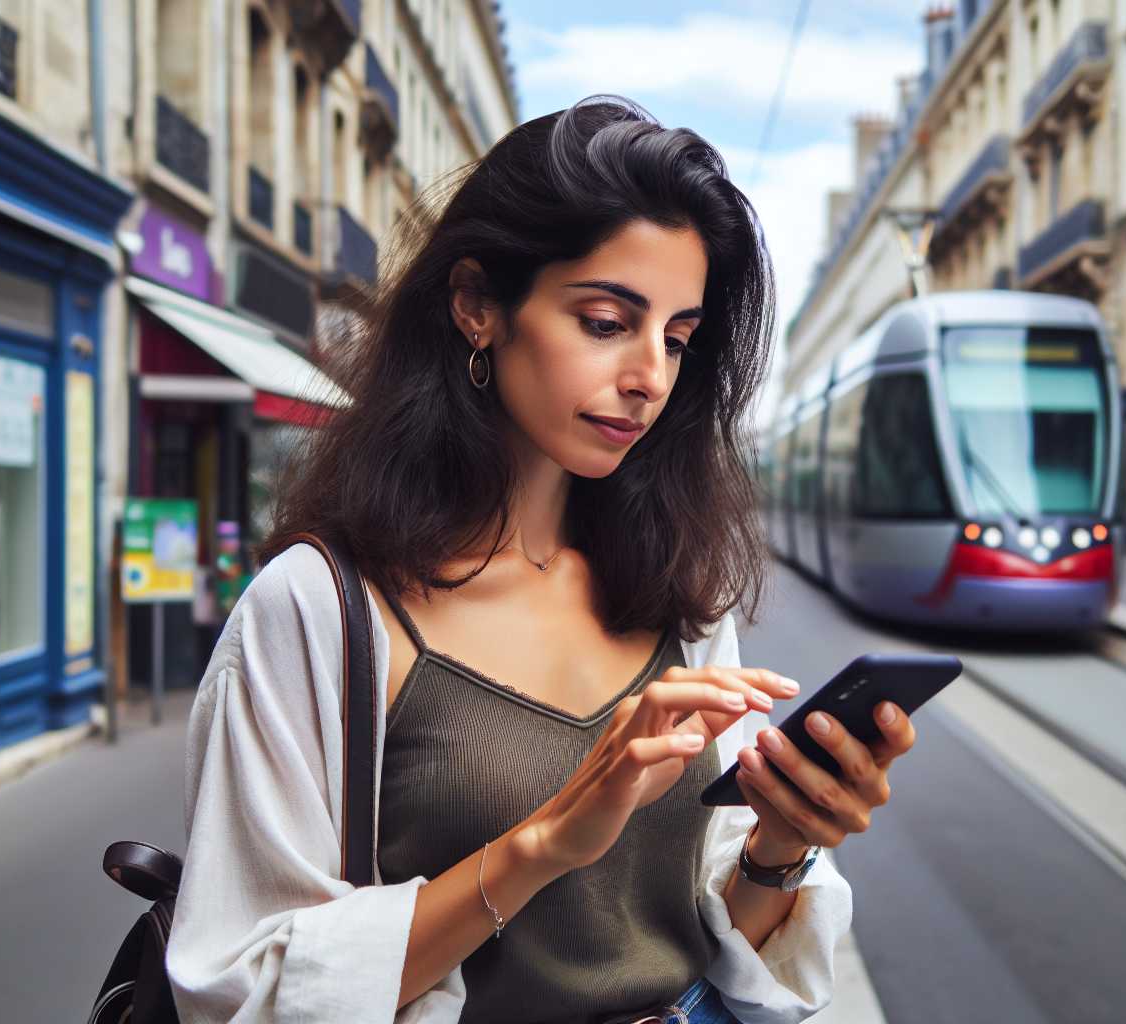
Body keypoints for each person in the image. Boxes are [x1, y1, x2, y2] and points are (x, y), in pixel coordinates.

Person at [165, 96, 921, 1024]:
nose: (650, 375)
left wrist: (781, 847)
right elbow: (242, 992)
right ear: (479, 305)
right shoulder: (318, 608)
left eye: (678, 339)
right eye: (607, 321)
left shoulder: (681, 597)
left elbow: (728, 960)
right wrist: (545, 843)